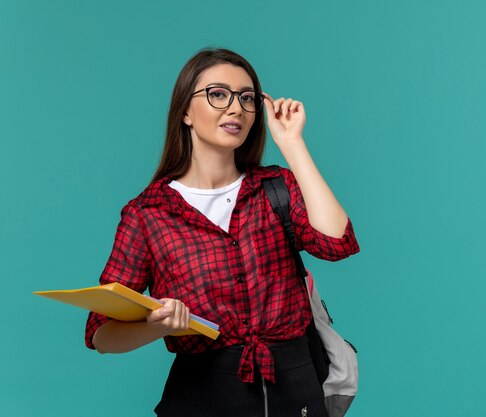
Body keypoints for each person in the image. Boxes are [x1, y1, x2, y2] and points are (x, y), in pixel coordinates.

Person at [84, 48, 359, 417]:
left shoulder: (276, 188)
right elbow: (101, 334)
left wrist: (292, 143)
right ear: (185, 111)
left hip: (297, 393)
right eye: (218, 94)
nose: (236, 108)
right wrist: (157, 327)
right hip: (202, 397)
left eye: (247, 98)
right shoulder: (148, 214)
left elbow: (336, 243)